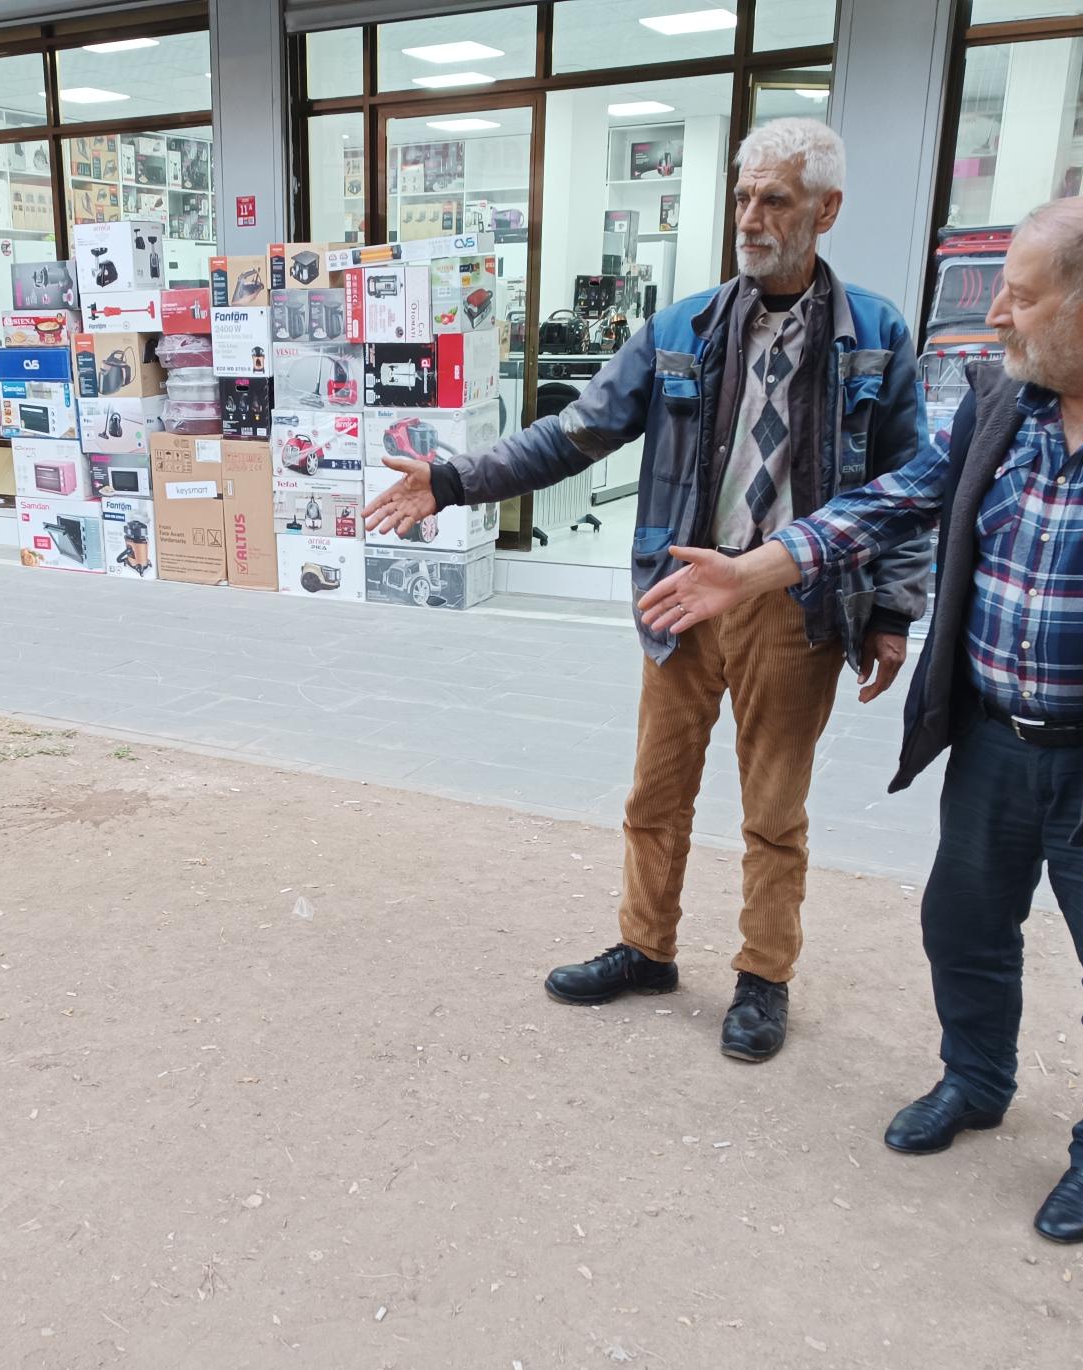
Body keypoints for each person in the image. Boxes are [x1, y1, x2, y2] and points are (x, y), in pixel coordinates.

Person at [640, 196, 1083, 1244]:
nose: (992, 314)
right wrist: (751, 571)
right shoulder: (1006, 399)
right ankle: (975, 1081)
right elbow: (890, 499)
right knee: (962, 928)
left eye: (1017, 293)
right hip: (995, 738)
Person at [365, 118, 931, 1063]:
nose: (751, 218)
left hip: (793, 602)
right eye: (744, 196)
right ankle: (644, 947)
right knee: (655, 792)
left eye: (775, 200)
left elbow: (905, 490)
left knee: (772, 809)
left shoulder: (875, 336)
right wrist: (455, 479)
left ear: (826, 211)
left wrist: (890, 611)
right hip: (681, 592)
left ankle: (762, 976)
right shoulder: (683, 328)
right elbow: (574, 433)